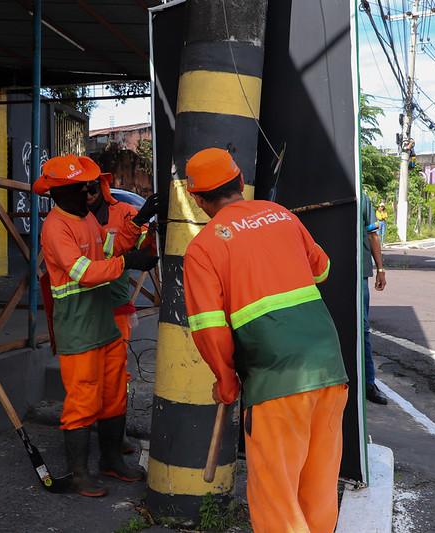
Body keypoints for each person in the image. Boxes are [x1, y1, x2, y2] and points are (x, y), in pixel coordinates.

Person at [181, 148, 348, 532]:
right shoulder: (283, 216)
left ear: (198, 198)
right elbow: (322, 269)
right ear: (241, 183)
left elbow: (209, 329)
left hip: (275, 381)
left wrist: (226, 382)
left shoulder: (204, 247)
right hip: (328, 369)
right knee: (318, 491)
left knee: (277, 501)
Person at [34, 154, 159, 497]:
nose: (89, 191)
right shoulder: (56, 227)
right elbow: (84, 272)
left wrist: (139, 223)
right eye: (81, 187)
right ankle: (78, 474)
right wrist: (128, 261)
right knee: (83, 400)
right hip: (78, 327)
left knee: (114, 395)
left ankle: (111, 460)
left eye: (88, 186)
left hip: (103, 321)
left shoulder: (86, 217)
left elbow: (107, 249)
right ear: (60, 192)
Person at [86, 173, 157, 455]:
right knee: (88, 377)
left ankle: (115, 438)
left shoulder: (124, 212)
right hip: (84, 311)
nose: (87, 193)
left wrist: (152, 231)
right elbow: (100, 258)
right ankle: (92, 435)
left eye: (91, 188)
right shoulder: (72, 220)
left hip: (115, 308)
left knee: (117, 378)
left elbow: (143, 252)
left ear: (100, 187)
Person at [363, 192, 388, 404]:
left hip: (359, 273)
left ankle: (368, 382)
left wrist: (380, 268)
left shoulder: (363, 199)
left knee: (362, 329)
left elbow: (373, 234)